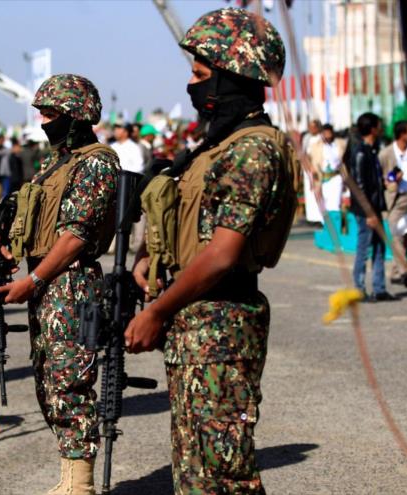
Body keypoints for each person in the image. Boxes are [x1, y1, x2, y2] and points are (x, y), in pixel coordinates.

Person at [125, 9, 296, 493]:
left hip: (220, 324)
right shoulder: (215, 147)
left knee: (223, 473)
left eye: (201, 76)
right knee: (196, 470)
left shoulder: (252, 150)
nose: (192, 86)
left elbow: (223, 253)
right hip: (196, 322)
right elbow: (190, 228)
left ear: (231, 78)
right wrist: (148, 262)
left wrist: (157, 310)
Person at [0, 74, 119, 495]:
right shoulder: (55, 164)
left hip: (72, 284)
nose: (43, 121)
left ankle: (80, 485)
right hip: (48, 282)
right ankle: (69, 478)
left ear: (76, 116)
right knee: (47, 380)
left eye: (50, 114)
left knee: (71, 382)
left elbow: (76, 236)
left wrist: (34, 279)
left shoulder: (98, 162)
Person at [349, 113, 396, 302]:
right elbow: (360, 186)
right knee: (364, 248)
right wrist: (368, 212)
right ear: (372, 128)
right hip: (366, 211)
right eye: (379, 124)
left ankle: (379, 287)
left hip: (374, 207)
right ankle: (359, 288)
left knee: (379, 247)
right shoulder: (360, 152)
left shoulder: (372, 150)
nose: (381, 127)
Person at [379, 120, 407, 287]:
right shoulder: (386, 154)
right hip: (394, 199)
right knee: (397, 236)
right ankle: (404, 271)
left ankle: (395, 271)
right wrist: (390, 181)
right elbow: (379, 177)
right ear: (402, 134)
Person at [308, 123, 347, 217]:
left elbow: (345, 160)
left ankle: (335, 224)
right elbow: (308, 159)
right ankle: (327, 225)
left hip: (336, 177)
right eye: (325, 133)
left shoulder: (340, 144)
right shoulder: (315, 146)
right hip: (321, 178)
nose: (327, 136)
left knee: (335, 204)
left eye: (329, 133)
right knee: (323, 204)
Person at [302, 119, 323, 223]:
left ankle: (320, 217)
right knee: (310, 194)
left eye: (314, 127)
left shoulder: (322, 138)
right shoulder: (307, 138)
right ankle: (312, 217)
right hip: (308, 169)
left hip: (318, 169)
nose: (312, 129)